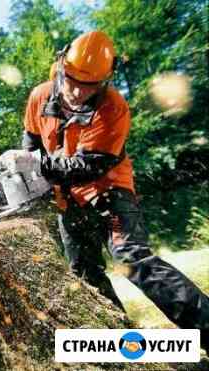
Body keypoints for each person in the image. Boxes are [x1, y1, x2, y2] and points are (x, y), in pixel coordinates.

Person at [15, 30, 208, 350]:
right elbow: (31, 143)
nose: (77, 91)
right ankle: (121, 347)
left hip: (110, 194)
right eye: (72, 80)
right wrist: (26, 173)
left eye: (88, 85)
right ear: (62, 67)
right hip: (68, 202)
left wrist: (43, 170)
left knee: (133, 260)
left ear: (103, 82)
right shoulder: (39, 97)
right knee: (85, 276)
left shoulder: (113, 108)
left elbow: (89, 167)